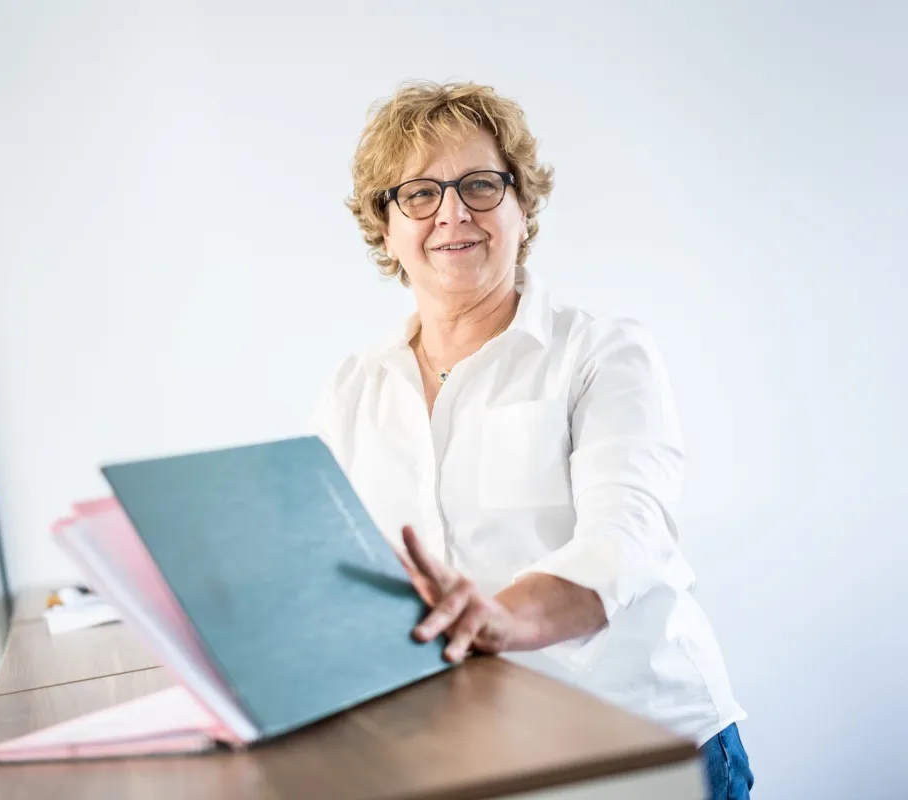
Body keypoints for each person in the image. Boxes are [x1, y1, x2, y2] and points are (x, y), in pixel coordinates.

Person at [311, 80, 754, 799]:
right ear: (385, 228)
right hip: (475, 758)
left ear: (523, 208)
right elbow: (333, 571)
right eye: (419, 194)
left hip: (642, 747)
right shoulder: (352, 389)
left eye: (480, 185)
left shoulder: (603, 353)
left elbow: (628, 535)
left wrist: (502, 618)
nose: (453, 212)